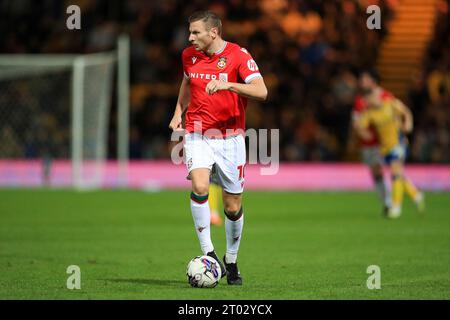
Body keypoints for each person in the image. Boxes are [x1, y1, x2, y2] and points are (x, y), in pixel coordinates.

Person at [169, 11, 268, 285]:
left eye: (195, 33)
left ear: (213, 33)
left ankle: (232, 260)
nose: (190, 38)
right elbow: (187, 81)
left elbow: (262, 92)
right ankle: (209, 253)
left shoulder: (238, 55)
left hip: (231, 138)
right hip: (197, 133)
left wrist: (228, 85)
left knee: (232, 205)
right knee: (200, 187)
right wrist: (179, 110)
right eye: (189, 32)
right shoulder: (189, 55)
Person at [354, 69, 425, 219]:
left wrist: (408, 125)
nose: (368, 102)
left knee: (394, 171)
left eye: (371, 99)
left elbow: (406, 112)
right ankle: (416, 194)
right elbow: (359, 125)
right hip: (384, 147)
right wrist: (363, 134)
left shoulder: (390, 103)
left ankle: (396, 207)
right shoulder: (370, 113)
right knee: (397, 174)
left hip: (398, 143)